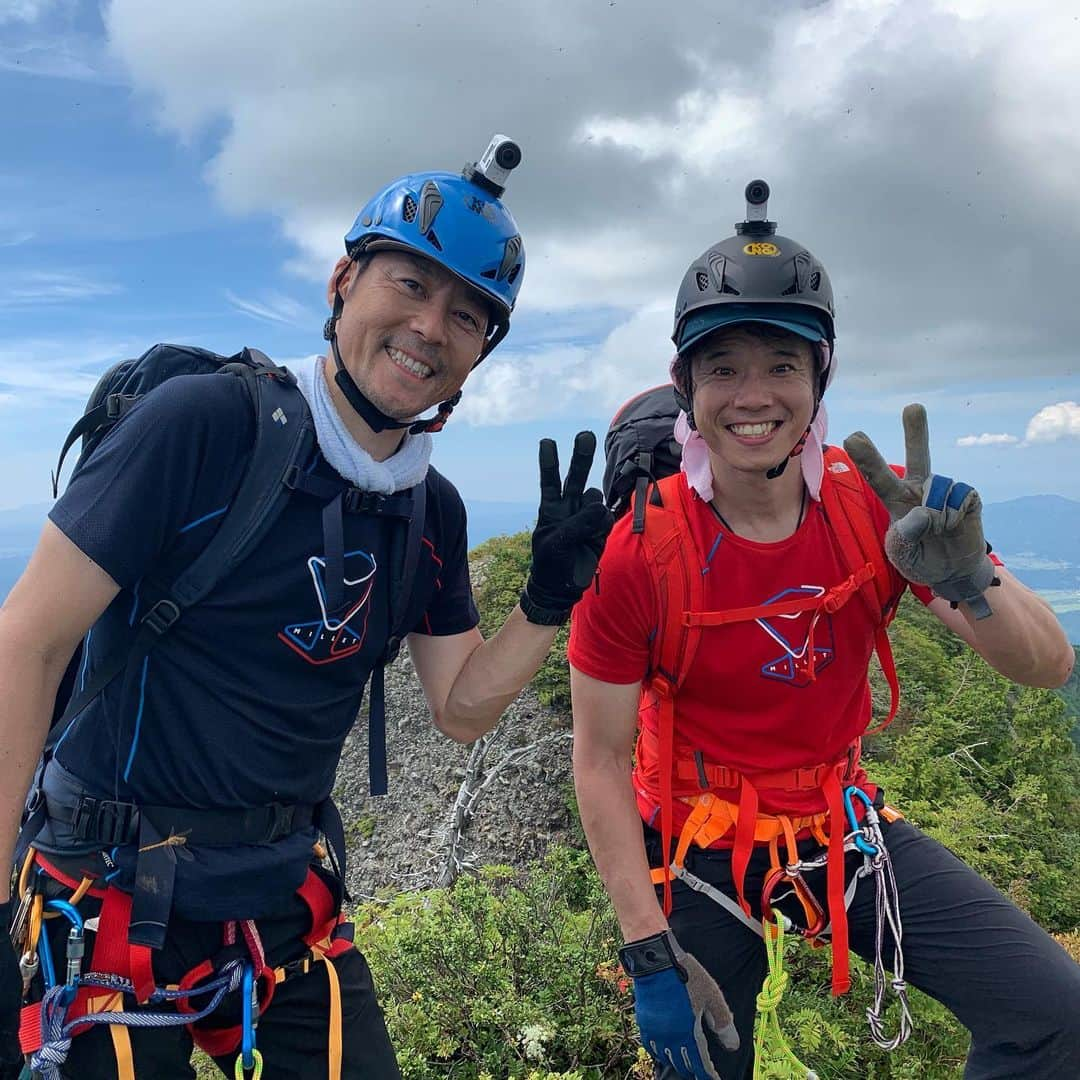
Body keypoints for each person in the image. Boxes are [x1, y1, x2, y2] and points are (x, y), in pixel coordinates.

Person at [0, 136, 613, 1079]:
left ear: (480, 352)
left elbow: (457, 713)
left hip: (279, 904)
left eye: (467, 315)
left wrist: (545, 599)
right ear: (343, 282)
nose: (430, 327)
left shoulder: (429, 511)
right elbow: (28, 643)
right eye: (409, 285)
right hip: (103, 894)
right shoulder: (204, 426)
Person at [567, 182, 1080, 1079]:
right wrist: (648, 952)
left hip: (837, 825)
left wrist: (970, 580)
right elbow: (600, 759)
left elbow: (1048, 666)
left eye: (782, 364)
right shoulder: (642, 553)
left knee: (1057, 1017)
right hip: (696, 847)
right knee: (701, 1060)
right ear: (686, 385)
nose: (752, 395)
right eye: (723, 368)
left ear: (820, 377)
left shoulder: (870, 511)